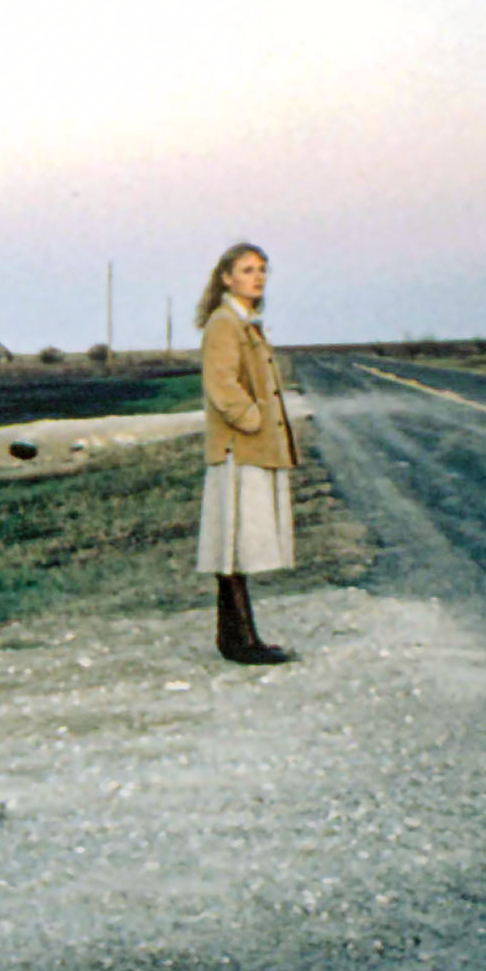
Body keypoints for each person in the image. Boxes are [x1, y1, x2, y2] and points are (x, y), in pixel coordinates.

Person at [194, 242, 298, 664]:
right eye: (247, 269)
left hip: (250, 447)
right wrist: (252, 418)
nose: (257, 277)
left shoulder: (247, 323)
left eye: (261, 270)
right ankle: (242, 642)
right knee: (233, 544)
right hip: (239, 448)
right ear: (226, 277)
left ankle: (234, 638)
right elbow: (221, 384)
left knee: (235, 546)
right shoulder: (225, 323)